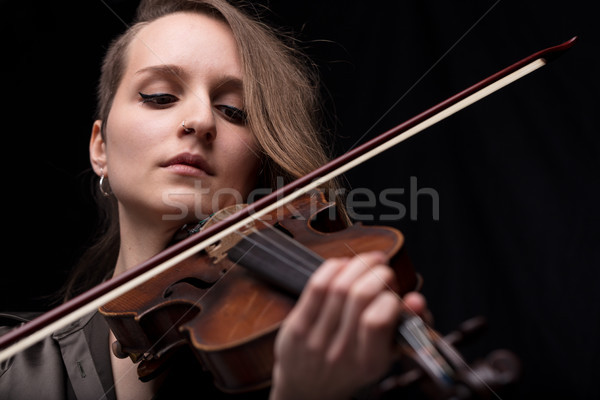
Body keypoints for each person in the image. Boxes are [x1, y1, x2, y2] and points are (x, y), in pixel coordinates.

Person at [0, 0, 427, 398]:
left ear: (257, 167)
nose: (202, 120)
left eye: (234, 111)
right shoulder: (13, 370)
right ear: (100, 148)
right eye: (160, 97)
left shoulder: (306, 355)